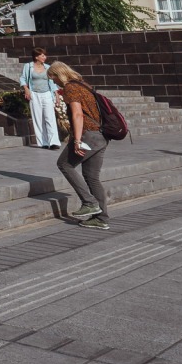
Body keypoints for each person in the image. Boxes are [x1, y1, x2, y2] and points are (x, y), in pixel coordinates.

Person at [48, 62, 110, 229]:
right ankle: (101, 218)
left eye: (52, 77)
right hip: (101, 135)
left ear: (58, 74)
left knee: (64, 164)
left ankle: (89, 202)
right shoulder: (83, 85)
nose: (53, 82)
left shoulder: (70, 87)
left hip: (88, 135)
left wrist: (76, 140)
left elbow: (77, 114)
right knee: (92, 177)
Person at [20, 47, 59, 149]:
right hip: (35, 94)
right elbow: (23, 78)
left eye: (44, 55)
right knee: (38, 118)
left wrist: (57, 95)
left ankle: (54, 142)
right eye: (42, 55)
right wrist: (26, 89)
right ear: (36, 57)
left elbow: (52, 82)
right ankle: (43, 143)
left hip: (47, 94)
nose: (45, 57)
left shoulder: (47, 67)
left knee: (50, 118)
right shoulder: (28, 67)